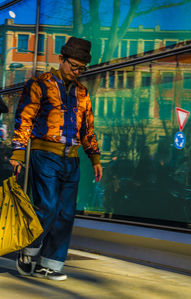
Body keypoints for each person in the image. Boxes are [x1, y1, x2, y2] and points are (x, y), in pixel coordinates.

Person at [9, 37, 102, 281]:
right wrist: (18, 152)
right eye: (73, 65)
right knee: (46, 206)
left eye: (82, 67)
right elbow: (24, 118)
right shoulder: (39, 84)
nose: (77, 71)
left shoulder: (83, 92)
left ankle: (50, 264)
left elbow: (87, 129)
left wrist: (95, 157)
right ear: (61, 59)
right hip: (45, 154)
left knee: (65, 213)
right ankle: (28, 252)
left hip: (71, 159)